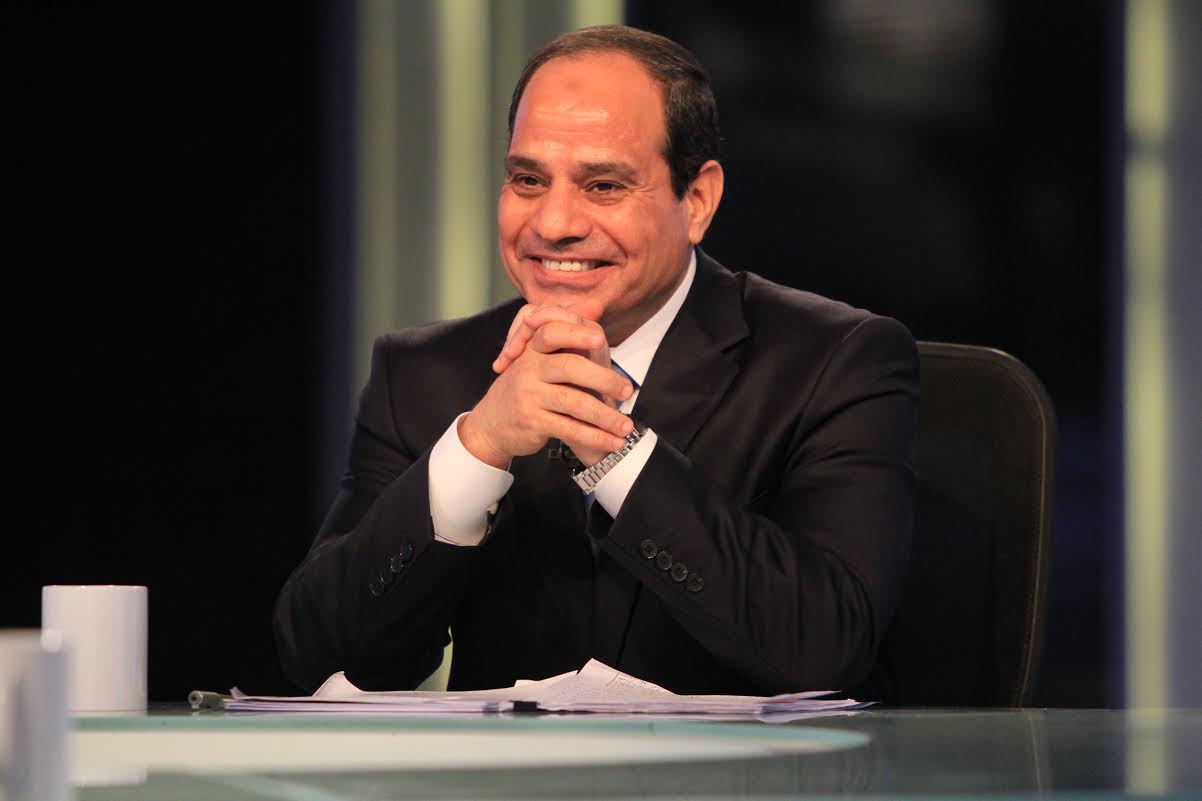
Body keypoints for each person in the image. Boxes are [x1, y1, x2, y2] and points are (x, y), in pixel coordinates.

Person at [274, 24, 918, 696]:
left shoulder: (835, 362)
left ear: (697, 200)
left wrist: (610, 449)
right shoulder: (426, 374)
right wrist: (477, 449)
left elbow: (825, 649)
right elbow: (317, 661)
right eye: (528, 180)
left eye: (603, 185)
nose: (553, 224)